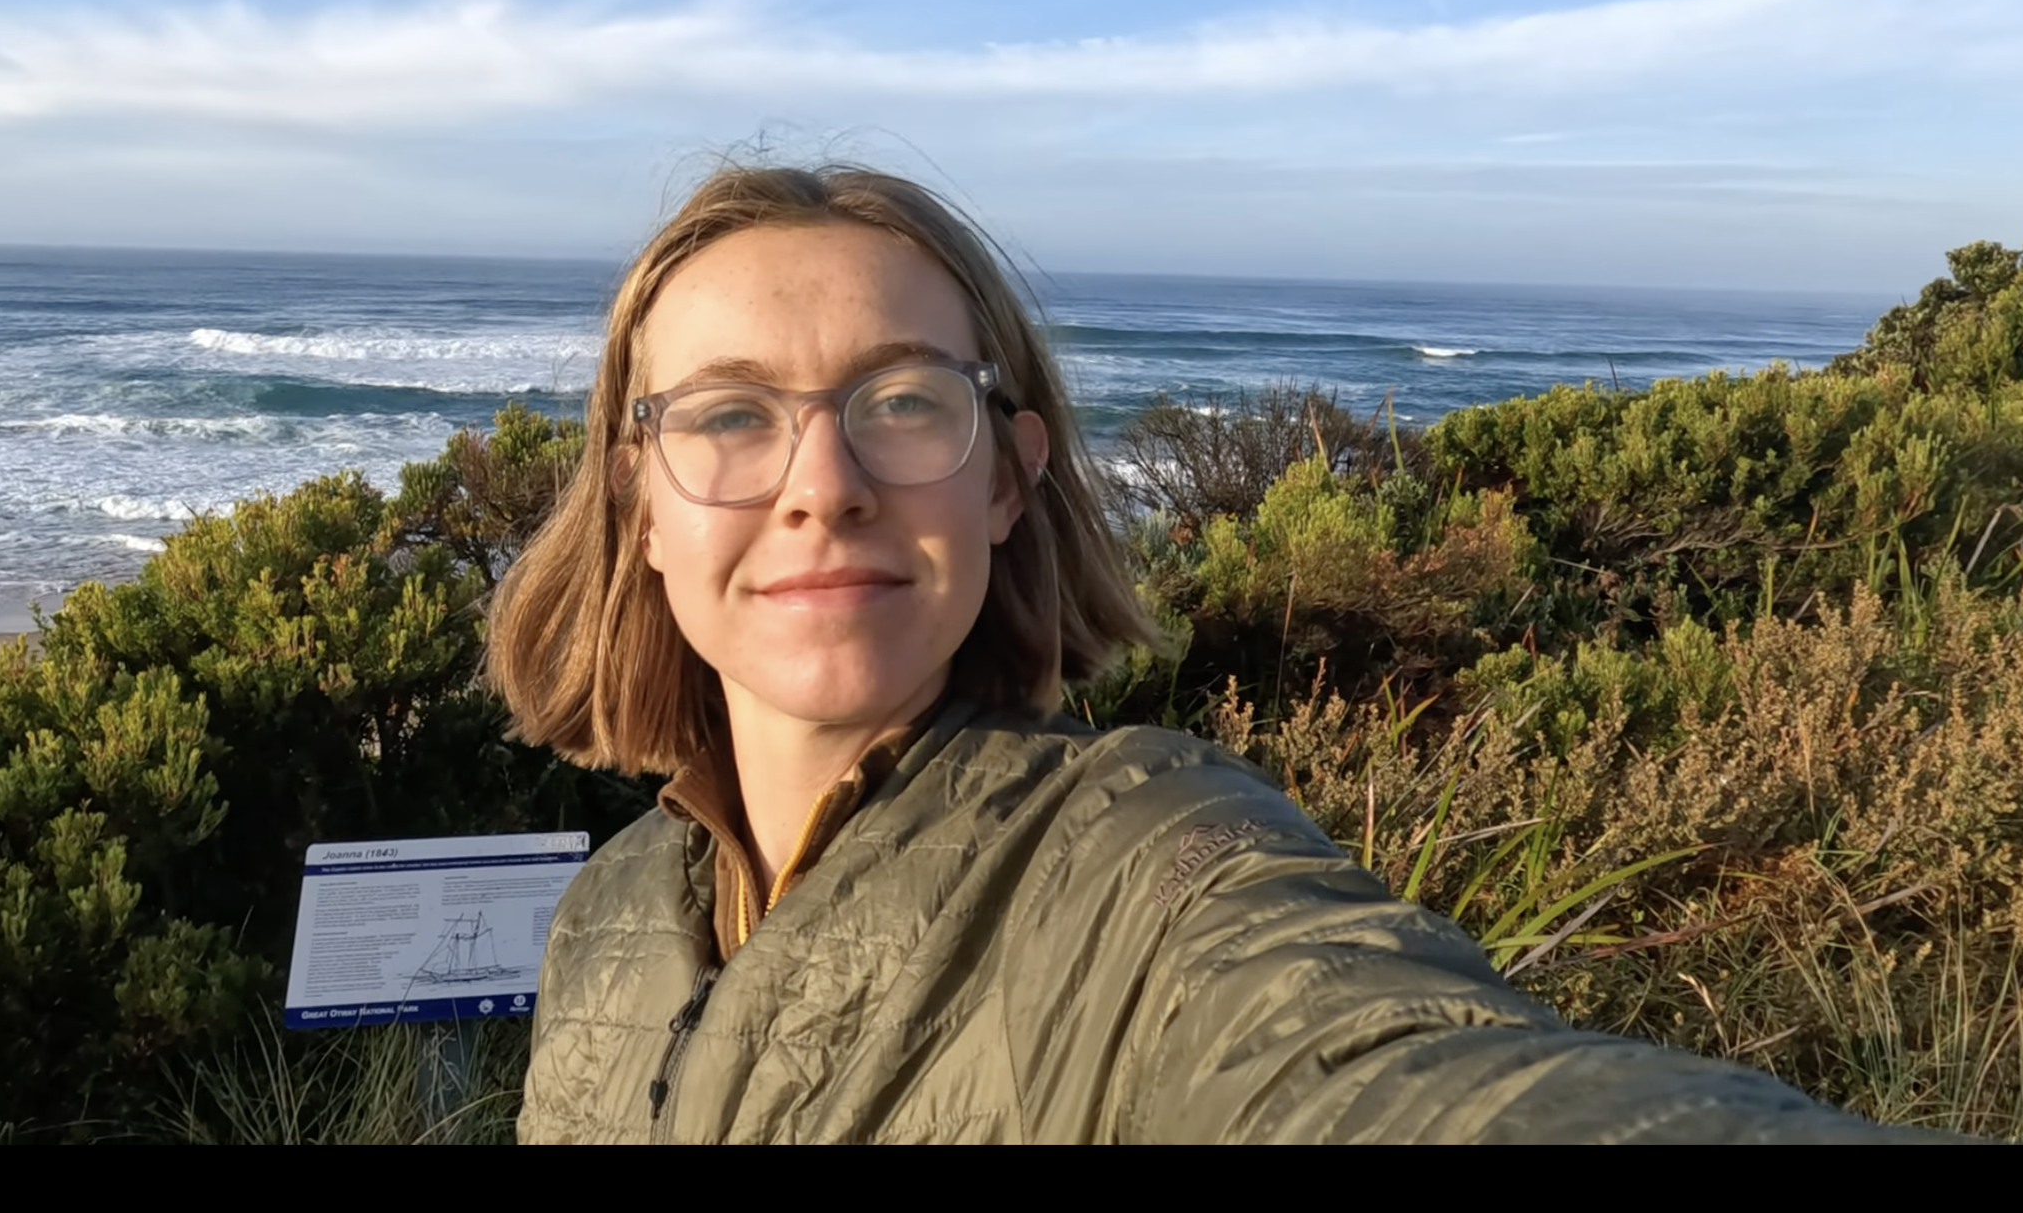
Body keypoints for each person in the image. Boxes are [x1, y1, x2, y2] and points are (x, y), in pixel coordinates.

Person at [490, 163, 1917, 1144]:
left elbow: (1385, 1070)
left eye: (904, 401)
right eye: (730, 416)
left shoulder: (1146, 857)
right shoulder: (608, 917)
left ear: (1004, 478)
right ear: (640, 503)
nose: (822, 482)